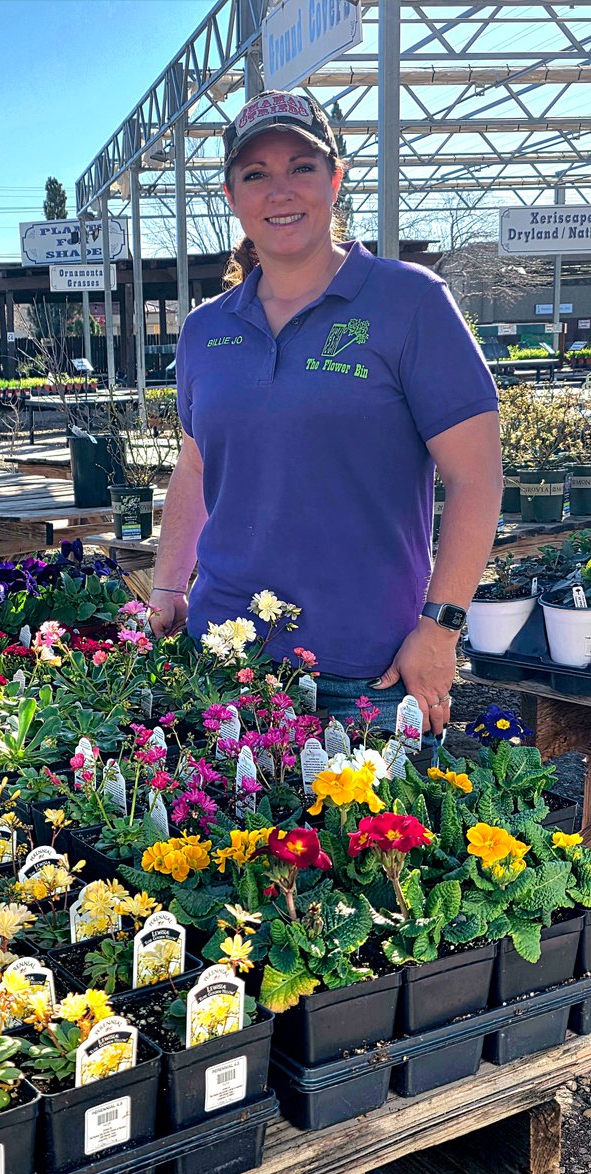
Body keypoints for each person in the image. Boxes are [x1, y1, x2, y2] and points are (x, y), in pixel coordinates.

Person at [148, 90, 502, 735]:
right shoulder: (206, 329)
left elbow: (476, 478)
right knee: (223, 833)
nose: (279, 191)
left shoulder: (409, 302)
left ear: (335, 180)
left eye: (301, 167)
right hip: (226, 652)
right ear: (231, 197)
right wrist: (169, 585)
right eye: (255, 174)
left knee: (372, 836)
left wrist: (441, 626)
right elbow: (197, 466)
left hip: (367, 661)